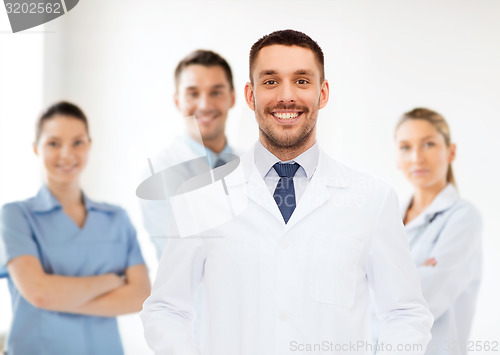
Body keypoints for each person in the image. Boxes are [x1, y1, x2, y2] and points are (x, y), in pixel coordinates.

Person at [141, 30, 433, 355]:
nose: (286, 96)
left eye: (302, 81)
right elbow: (167, 309)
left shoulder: (372, 200)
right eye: (270, 81)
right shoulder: (201, 199)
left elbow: (405, 313)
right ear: (250, 96)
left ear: (323, 94)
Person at [0, 101, 151, 355]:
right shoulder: (16, 216)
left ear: (89, 145)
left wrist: (57, 298)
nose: (67, 154)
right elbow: (39, 294)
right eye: (54, 143)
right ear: (36, 148)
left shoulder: (116, 219)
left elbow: (141, 295)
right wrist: (110, 282)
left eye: (78, 142)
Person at [394, 108, 482, 354]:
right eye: (405, 147)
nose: (416, 158)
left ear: (450, 151)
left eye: (429, 144)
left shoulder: (463, 218)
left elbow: (419, 305)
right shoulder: (387, 219)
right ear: (397, 159)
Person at [139, 49, 237, 260]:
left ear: (232, 97)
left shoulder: (256, 166)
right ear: (177, 101)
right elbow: (181, 260)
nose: (205, 105)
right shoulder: (158, 175)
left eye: (216, 92)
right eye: (193, 93)